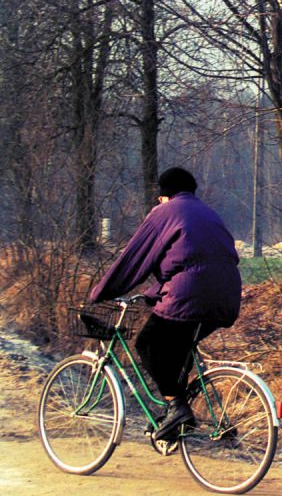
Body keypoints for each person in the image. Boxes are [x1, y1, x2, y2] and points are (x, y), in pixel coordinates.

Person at [90, 167, 242, 440]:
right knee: (176, 351)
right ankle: (176, 419)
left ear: (165, 194)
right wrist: (153, 294)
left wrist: (100, 293)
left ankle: (176, 407)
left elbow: (133, 259)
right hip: (227, 297)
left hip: (191, 295)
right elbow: (192, 264)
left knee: (148, 343)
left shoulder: (165, 212)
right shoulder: (209, 214)